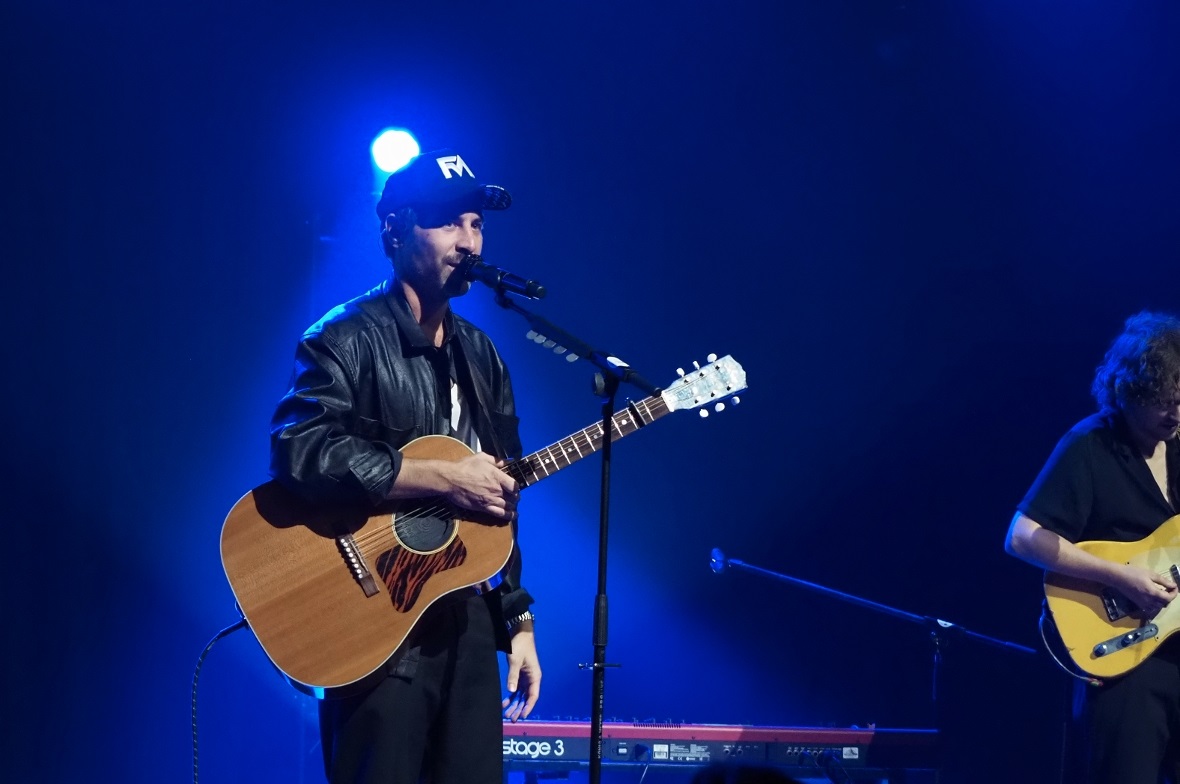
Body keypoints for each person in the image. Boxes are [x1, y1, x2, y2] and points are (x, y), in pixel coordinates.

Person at [268, 148, 541, 784]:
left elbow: (501, 501)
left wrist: (519, 621)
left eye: (476, 222)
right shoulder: (344, 338)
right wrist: (441, 476)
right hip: (374, 619)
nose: (468, 239)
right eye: (449, 222)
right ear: (395, 231)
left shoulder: (483, 356)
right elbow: (298, 450)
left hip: (466, 618)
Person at [1005, 310, 1180, 784]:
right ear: (1130, 390)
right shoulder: (1090, 445)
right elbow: (1021, 535)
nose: (1176, 415)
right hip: (1127, 659)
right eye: (1164, 402)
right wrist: (1121, 577)